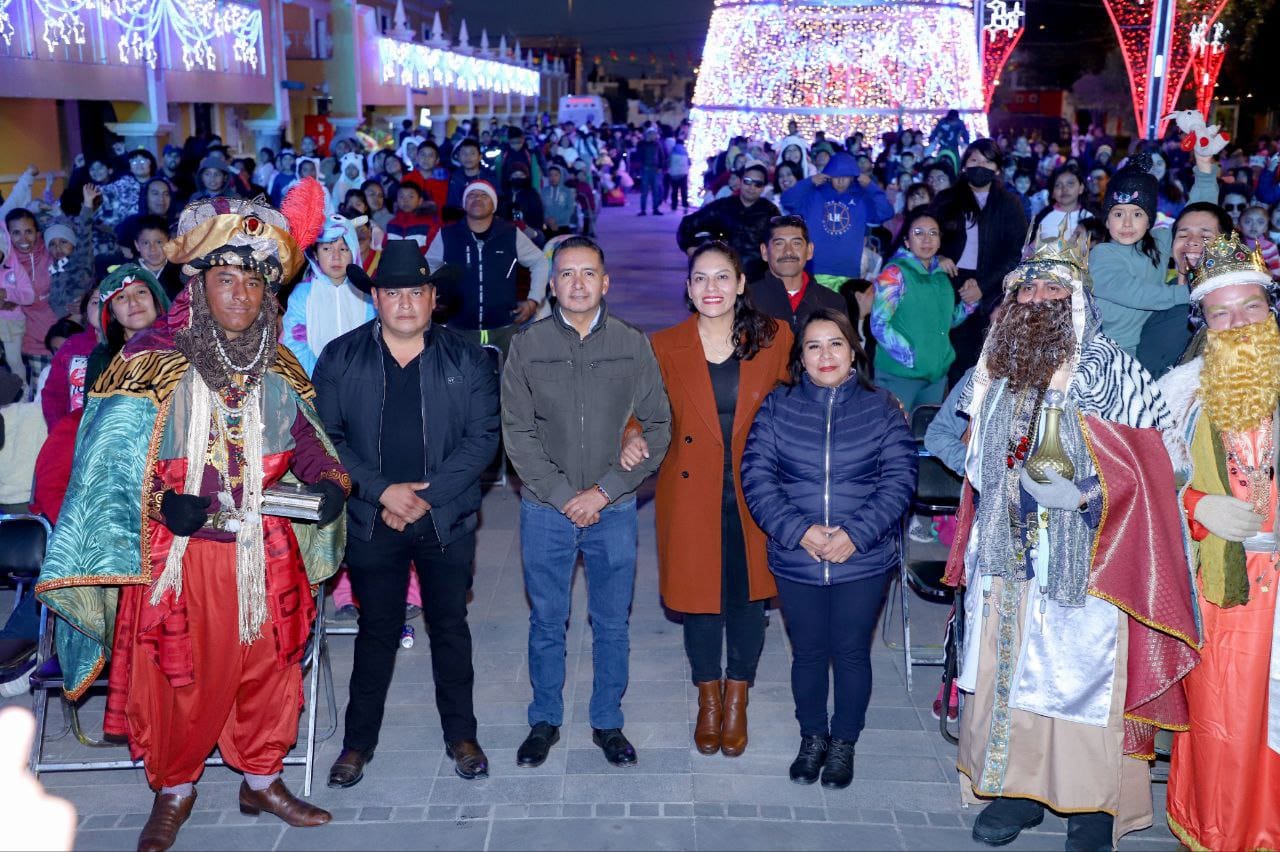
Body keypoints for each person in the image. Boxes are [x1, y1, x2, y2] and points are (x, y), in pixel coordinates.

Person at [35, 182, 349, 852]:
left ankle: (262, 777)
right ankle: (173, 790)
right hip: (182, 556)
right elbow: (106, 474)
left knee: (270, 669)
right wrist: (160, 502)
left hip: (266, 549)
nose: (242, 295)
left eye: (255, 284)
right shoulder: (148, 360)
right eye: (227, 279)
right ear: (201, 284)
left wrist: (330, 481)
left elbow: (307, 442)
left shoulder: (279, 363)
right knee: (181, 678)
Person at [943, 230, 1199, 850]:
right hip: (1008, 554)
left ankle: (1092, 809)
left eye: (1052, 286)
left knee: (1079, 679)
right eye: (1026, 286)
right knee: (1008, 668)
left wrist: (1087, 491)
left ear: (1078, 299)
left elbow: (1171, 463)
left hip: (1090, 558)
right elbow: (969, 449)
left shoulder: (1116, 370)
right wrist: (1006, 478)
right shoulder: (994, 370)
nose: (1036, 297)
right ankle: (1017, 793)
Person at [313, 240, 499, 787]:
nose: (404, 303)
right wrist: (381, 492)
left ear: (432, 297)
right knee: (377, 630)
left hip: (446, 519)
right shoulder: (341, 357)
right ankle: (356, 744)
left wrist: (425, 495)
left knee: (449, 626)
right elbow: (327, 439)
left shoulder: (467, 357)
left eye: (415, 292)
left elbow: (483, 438)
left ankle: (462, 736)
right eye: (392, 293)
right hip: (373, 518)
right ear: (376, 299)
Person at [501, 236, 672, 769]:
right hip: (545, 510)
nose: (578, 284)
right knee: (548, 620)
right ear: (552, 285)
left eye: (588, 274)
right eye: (567, 274)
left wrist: (603, 492)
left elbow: (661, 424)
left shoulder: (630, 342)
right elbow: (517, 432)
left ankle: (607, 722)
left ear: (605, 282)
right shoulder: (526, 346)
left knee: (612, 622)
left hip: (613, 509)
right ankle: (545, 719)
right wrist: (561, 496)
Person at [740, 308, 917, 789]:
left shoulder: (882, 408)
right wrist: (799, 531)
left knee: (852, 652)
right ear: (800, 356)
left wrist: (854, 535)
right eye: (813, 345)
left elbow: (899, 480)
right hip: (797, 556)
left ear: (853, 350)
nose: (825, 355)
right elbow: (757, 477)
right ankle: (813, 737)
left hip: (862, 559)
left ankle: (843, 744)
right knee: (809, 653)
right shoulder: (778, 406)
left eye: (835, 343)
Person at [640, 241, 792, 757]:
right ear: (687, 288)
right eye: (701, 279)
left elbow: (810, 395)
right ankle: (708, 696)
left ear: (741, 284)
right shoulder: (664, 345)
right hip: (689, 490)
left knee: (748, 595)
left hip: (757, 491)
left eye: (722, 277)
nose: (712, 289)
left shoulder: (773, 338)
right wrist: (630, 435)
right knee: (699, 597)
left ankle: (738, 697)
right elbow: (643, 410)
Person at [1158, 234, 1280, 851]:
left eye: (1251, 308)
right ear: (1204, 322)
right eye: (1221, 313)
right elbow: (1146, 494)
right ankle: (1225, 836)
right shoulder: (1177, 397)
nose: (1238, 325)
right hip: (1223, 597)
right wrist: (1199, 506)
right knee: (1226, 724)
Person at [1090, 150, 1218, 359]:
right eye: (1118, 213)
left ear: (1149, 221)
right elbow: (1135, 292)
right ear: (1106, 220)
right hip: (1110, 352)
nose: (1127, 223)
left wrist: (1204, 170)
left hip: (1152, 345)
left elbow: (1197, 215)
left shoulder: (1157, 243)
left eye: (1137, 214)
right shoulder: (1101, 255)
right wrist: (1188, 293)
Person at [929, 139, 1028, 385]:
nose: (979, 166)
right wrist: (937, 257)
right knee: (943, 354)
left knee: (977, 361)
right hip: (948, 281)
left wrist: (983, 287)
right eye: (973, 160)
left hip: (990, 288)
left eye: (987, 161)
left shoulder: (1009, 204)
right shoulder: (946, 199)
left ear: (997, 168)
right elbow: (927, 233)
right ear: (963, 166)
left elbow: (1015, 254)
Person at [871, 208, 981, 411]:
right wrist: (911, 357)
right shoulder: (895, 273)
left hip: (936, 376)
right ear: (906, 240)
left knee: (925, 439)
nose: (926, 240)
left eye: (933, 233)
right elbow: (879, 324)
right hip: (900, 375)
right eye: (918, 233)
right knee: (893, 438)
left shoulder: (941, 275)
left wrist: (970, 302)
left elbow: (947, 321)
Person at [426, 180, 548, 355]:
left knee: (507, 382)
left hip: (504, 329)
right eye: (472, 195)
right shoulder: (448, 235)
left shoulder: (510, 233)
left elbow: (540, 261)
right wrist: (432, 296)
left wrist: (534, 299)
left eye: (484, 195)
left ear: (494, 205)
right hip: (458, 329)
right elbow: (427, 267)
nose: (477, 199)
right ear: (464, 204)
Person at [781, 152, 893, 292]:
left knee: (843, 313)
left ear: (853, 177)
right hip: (815, 268)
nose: (841, 180)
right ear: (828, 176)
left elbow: (886, 213)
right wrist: (809, 182)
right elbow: (787, 201)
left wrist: (871, 186)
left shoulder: (862, 198)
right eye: (836, 176)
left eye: (846, 176)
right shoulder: (814, 194)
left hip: (848, 271)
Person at [282, 213, 373, 376]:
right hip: (315, 381)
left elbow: (373, 341)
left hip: (360, 380)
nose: (336, 257)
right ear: (315, 254)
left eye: (344, 249)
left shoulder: (367, 293)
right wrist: (319, 377)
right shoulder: (302, 294)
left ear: (354, 251)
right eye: (327, 248)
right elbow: (294, 343)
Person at [677, 162, 780, 282]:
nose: (752, 187)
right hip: (722, 277)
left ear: (763, 187)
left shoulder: (770, 211)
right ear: (740, 181)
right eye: (747, 181)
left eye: (758, 184)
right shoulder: (723, 207)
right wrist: (690, 248)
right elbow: (687, 224)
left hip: (758, 280)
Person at [748, 215, 847, 334]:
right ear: (764, 252)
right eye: (779, 244)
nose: (788, 251)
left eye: (796, 243)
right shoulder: (747, 301)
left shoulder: (833, 303)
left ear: (809, 251)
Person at [83, 263, 172, 391]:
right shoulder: (102, 358)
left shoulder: (185, 346)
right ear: (111, 311)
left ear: (156, 299)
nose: (133, 302)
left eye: (141, 292)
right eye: (121, 297)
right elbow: (94, 409)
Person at [5, 209, 58, 393]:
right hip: (28, 339)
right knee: (40, 395)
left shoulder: (51, 252)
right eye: (16, 232)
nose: (23, 238)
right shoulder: (6, 263)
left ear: (37, 233)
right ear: (7, 234)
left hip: (58, 334)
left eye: (28, 231)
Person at [634, 127, 668, 216]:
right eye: (652, 134)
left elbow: (662, 156)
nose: (653, 136)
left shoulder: (657, 144)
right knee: (644, 191)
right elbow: (639, 156)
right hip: (645, 169)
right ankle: (643, 209)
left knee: (655, 190)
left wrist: (660, 167)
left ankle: (655, 208)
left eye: (654, 134)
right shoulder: (642, 144)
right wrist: (640, 166)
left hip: (655, 170)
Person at [540, 164, 577, 238]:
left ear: (561, 176)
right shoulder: (543, 191)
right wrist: (548, 219)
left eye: (556, 175)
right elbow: (540, 208)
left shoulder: (567, 192)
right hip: (547, 226)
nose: (553, 178)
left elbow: (570, 209)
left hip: (563, 225)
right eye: (550, 175)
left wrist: (556, 220)